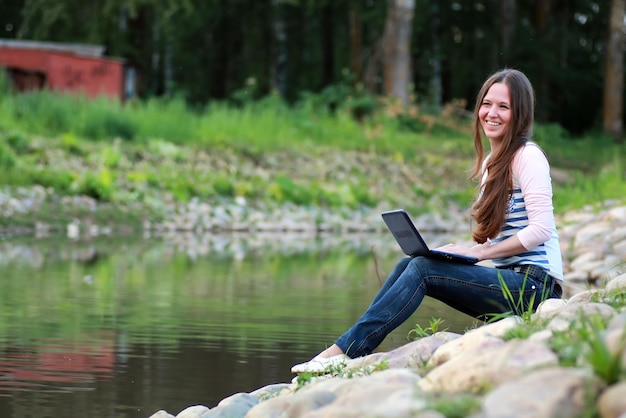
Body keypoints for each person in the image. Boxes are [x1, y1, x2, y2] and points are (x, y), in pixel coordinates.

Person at [291, 68, 564, 374]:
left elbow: (541, 229)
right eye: (487, 104)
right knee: (411, 263)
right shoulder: (492, 165)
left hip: (535, 289)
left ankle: (344, 352)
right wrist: (457, 251)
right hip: (510, 282)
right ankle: (347, 350)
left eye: (504, 106)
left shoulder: (528, 156)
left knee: (422, 270)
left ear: (520, 114)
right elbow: (500, 240)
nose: (492, 113)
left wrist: (481, 253)